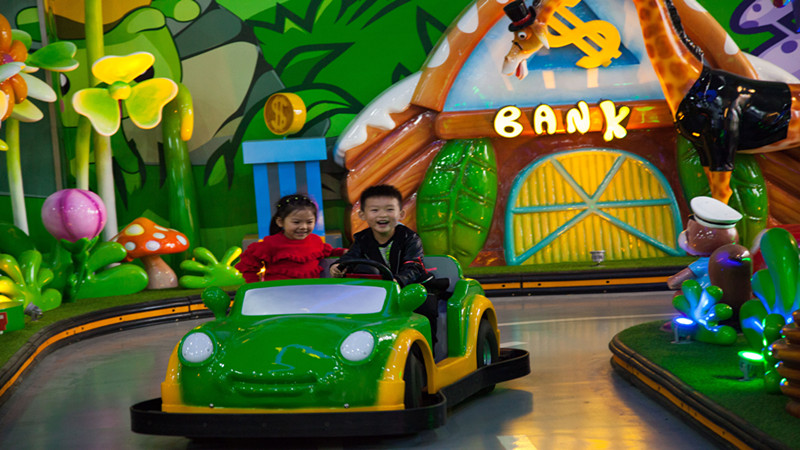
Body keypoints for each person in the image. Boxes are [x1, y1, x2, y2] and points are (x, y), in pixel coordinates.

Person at [330, 185, 441, 346]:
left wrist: (397, 281)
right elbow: (351, 257)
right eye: (374, 210)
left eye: (389, 209)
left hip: (410, 288)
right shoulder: (362, 239)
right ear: (362, 215)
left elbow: (414, 266)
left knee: (424, 306)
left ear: (401, 214)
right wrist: (338, 266)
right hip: (378, 293)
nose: (382, 215)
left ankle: (427, 348)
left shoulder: (410, 238)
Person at [236, 194, 345, 283]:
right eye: (296, 222)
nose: (303, 227)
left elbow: (326, 252)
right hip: (278, 294)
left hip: (310, 292)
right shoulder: (271, 243)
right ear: (280, 222)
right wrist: (255, 286)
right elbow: (249, 264)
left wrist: (344, 252)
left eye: (309, 222)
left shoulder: (315, 240)